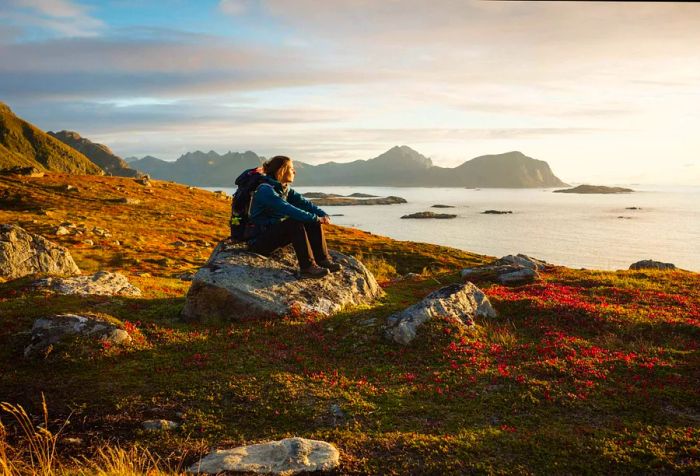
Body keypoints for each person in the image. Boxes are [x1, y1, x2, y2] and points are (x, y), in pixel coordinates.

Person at [245, 155, 341, 279]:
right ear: (281, 171)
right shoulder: (265, 190)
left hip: (272, 235)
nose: (294, 171)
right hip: (258, 242)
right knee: (294, 222)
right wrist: (316, 218)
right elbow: (287, 208)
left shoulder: (284, 189)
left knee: (312, 221)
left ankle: (323, 260)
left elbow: (305, 204)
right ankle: (307, 268)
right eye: (291, 168)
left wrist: (322, 215)